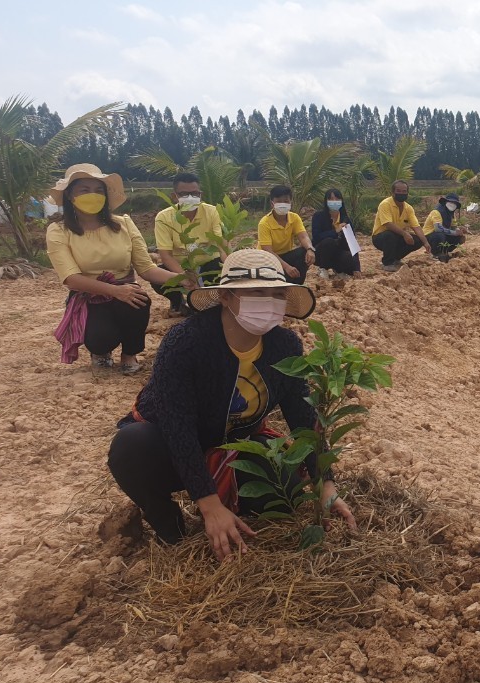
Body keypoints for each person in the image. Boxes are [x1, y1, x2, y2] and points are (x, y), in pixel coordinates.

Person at [107, 248, 356, 560]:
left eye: (277, 294)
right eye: (256, 293)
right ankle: (171, 527)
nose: (269, 302)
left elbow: (302, 417)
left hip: (234, 444)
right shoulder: (187, 342)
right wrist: (208, 505)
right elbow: (177, 426)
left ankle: (230, 504)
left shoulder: (284, 345)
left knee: (285, 492)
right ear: (225, 297)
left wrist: (325, 484)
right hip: (170, 446)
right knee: (132, 447)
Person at [46, 163, 181, 374]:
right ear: (70, 196)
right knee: (100, 339)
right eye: (85, 190)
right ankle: (100, 351)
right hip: (89, 295)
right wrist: (115, 291)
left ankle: (130, 353)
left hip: (126, 291)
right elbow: (71, 278)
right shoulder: (59, 231)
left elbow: (146, 268)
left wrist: (181, 278)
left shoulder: (124, 224)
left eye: (99, 190)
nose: (93, 195)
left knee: (139, 300)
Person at [150, 172, 226, 316]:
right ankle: (178, 301)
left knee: (214, 284)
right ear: (174, 196)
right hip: (180, 265)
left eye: (195, 194)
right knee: (159, 278)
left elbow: (219, 243)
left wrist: (229, 265)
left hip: (207, 262)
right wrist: (184, 276)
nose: (191, 198)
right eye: (184, 194)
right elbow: (165, 255)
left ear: (200, 194)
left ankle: (207, 303)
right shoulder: (164, 217)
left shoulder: (211, 211)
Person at [257, 185, 315, 285]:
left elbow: (303, 236)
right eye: (279, 201)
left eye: (286, 201)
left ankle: (297, 287)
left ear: (290, 202)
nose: (283, 204)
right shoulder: (264, 223)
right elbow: (268, 251)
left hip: (285, 256)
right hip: (267, 260)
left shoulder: (294, 218)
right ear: (272, 203)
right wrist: (287, 267)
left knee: (303, 252)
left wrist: (310, 249)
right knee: (282, 276)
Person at [371, 180, 433, 271]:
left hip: (398, 236)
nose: (401, 193)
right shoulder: (385, 204)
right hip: (380, 237)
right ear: (393, 192)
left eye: (404, 191)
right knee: (390, 235)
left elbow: (416, 227)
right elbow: (388, 224)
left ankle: (396, 258)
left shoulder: (408, 208)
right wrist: (405, 234)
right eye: (398, 191)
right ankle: (387, 263)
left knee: (417, 240)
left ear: (407, 192)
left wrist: (425, 242)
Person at [310, 188, 362, 281]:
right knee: (329, 242)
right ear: (326, 201)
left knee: (348, 258)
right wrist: (335, 232)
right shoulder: (318, 216)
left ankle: (338, 270)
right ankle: (323, 268)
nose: (334, 202)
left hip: (338, 253)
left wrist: (357, 268)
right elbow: (316, 237)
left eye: (337, 199)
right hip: (321, 252)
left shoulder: (345, 220)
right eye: (331, 199)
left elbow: (352, 244)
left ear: (341, 201)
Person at [422, 192, 470, 261]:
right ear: (445, 202)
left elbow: (454, 227)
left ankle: (444, 252)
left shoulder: (452, 215)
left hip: (443, 235)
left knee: (459, 237)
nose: (452, 204)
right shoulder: (436, 212)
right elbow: (438, 228)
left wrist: (460, 230)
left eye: (455, 203)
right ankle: (435, 253)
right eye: (451, 202)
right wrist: (455, 233)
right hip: (430, 236)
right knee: (439, 235)